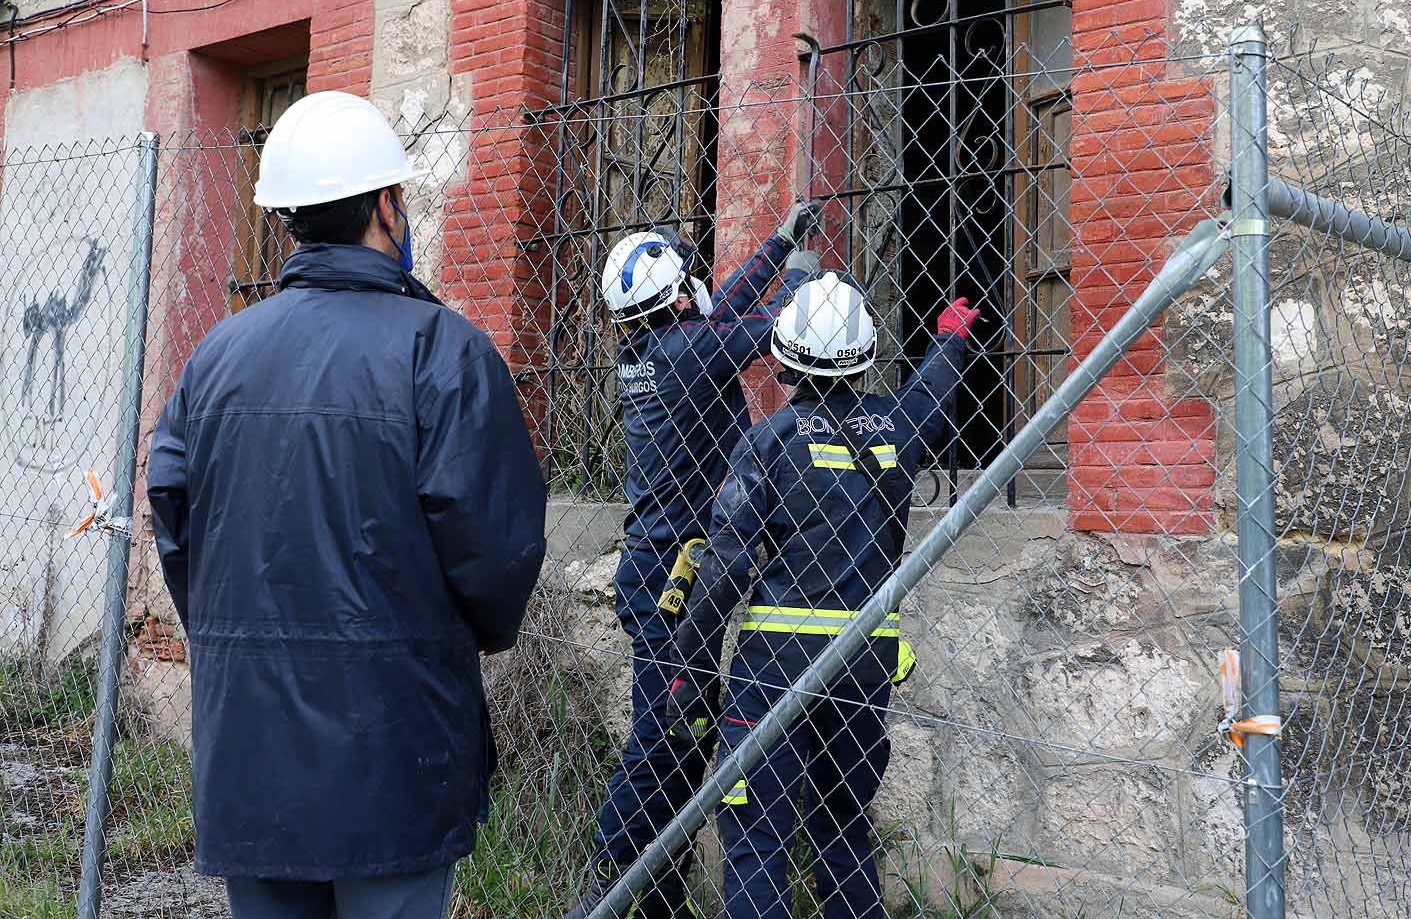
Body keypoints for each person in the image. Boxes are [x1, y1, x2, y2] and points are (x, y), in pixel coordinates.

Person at [147, 91, 548, 919]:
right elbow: (498, 551)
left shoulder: (216, 355)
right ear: (387, 207)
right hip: (395, 757)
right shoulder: (444, 352)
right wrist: (470, 635)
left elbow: (175, 518)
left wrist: (234, 634)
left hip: (248, 756)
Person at [665, 273, 980, 919]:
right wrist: (949, 339)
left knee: (758, 841)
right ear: (865, 356)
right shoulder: (895, 428)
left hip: (773, 671)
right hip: (863, 666)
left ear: (781, 360)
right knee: (843, 832)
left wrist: (689, 670)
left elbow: (724, 568)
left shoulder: (770, 441)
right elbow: (932, 395)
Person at [567, 203, 821, 918]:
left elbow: (727, 313)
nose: (699, 285)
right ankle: (607, 876)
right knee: (665, 736)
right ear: (677, 295)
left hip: (663, 571)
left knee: (685, 737)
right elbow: (767, 328)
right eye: (690, 279)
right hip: (667, 582)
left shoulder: (655, 349)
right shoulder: (686, 353)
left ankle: (656, 895)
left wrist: (777, 244)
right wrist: (800, 279)